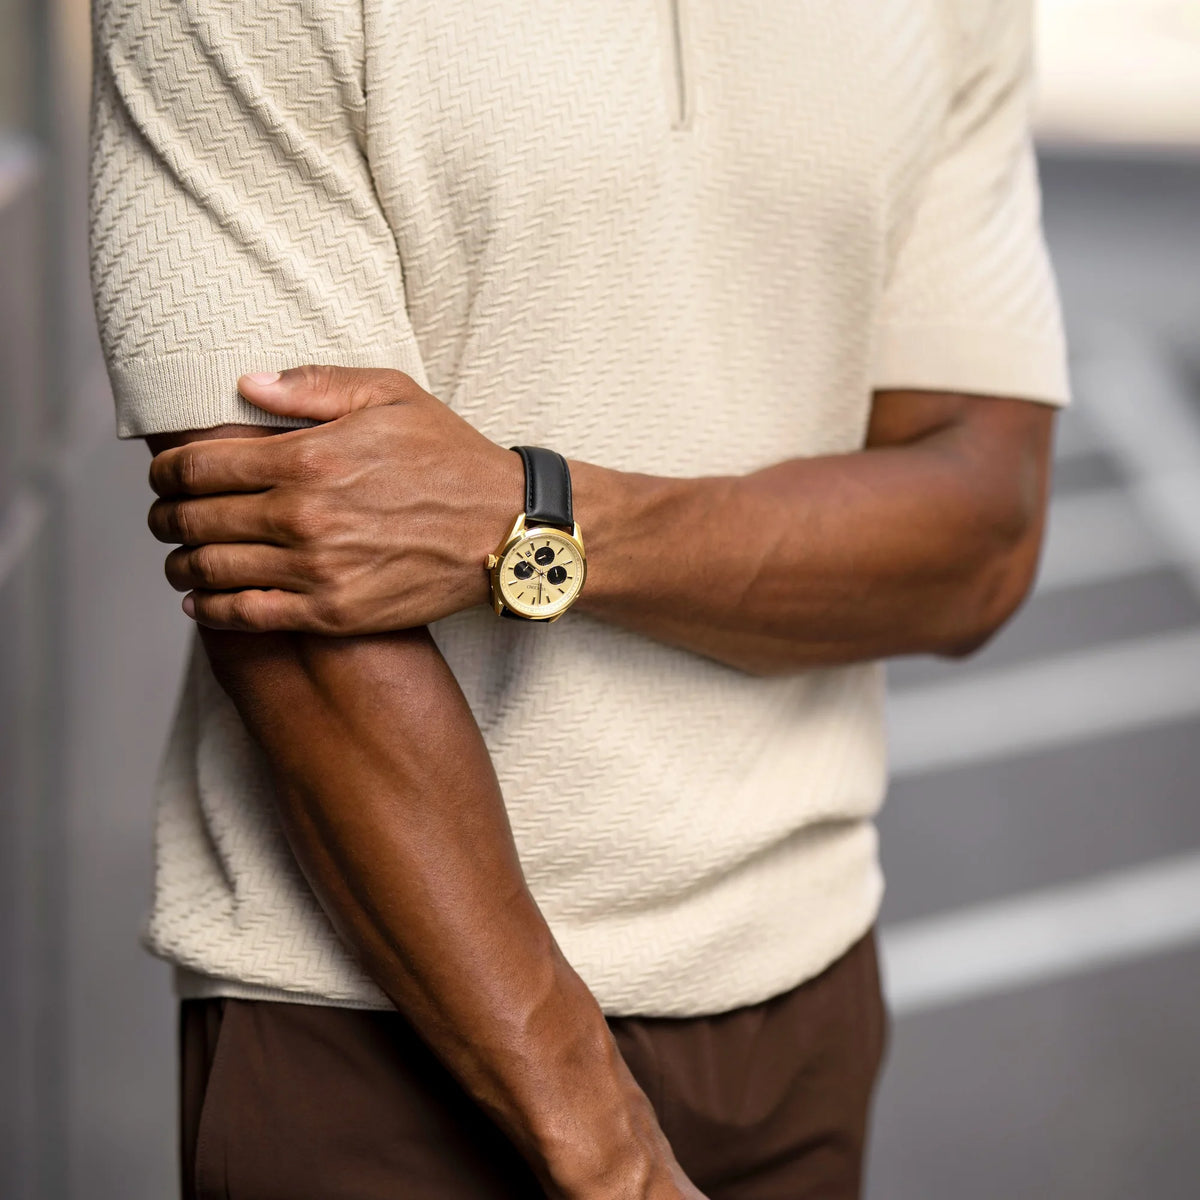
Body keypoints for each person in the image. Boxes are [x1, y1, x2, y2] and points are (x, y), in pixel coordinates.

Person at [88, 1, 1070, 1196]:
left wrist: (535, 516)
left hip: (801, 1000)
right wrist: (614, 1160)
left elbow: (982, 540)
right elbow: (286, 563)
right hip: (362, 1021)